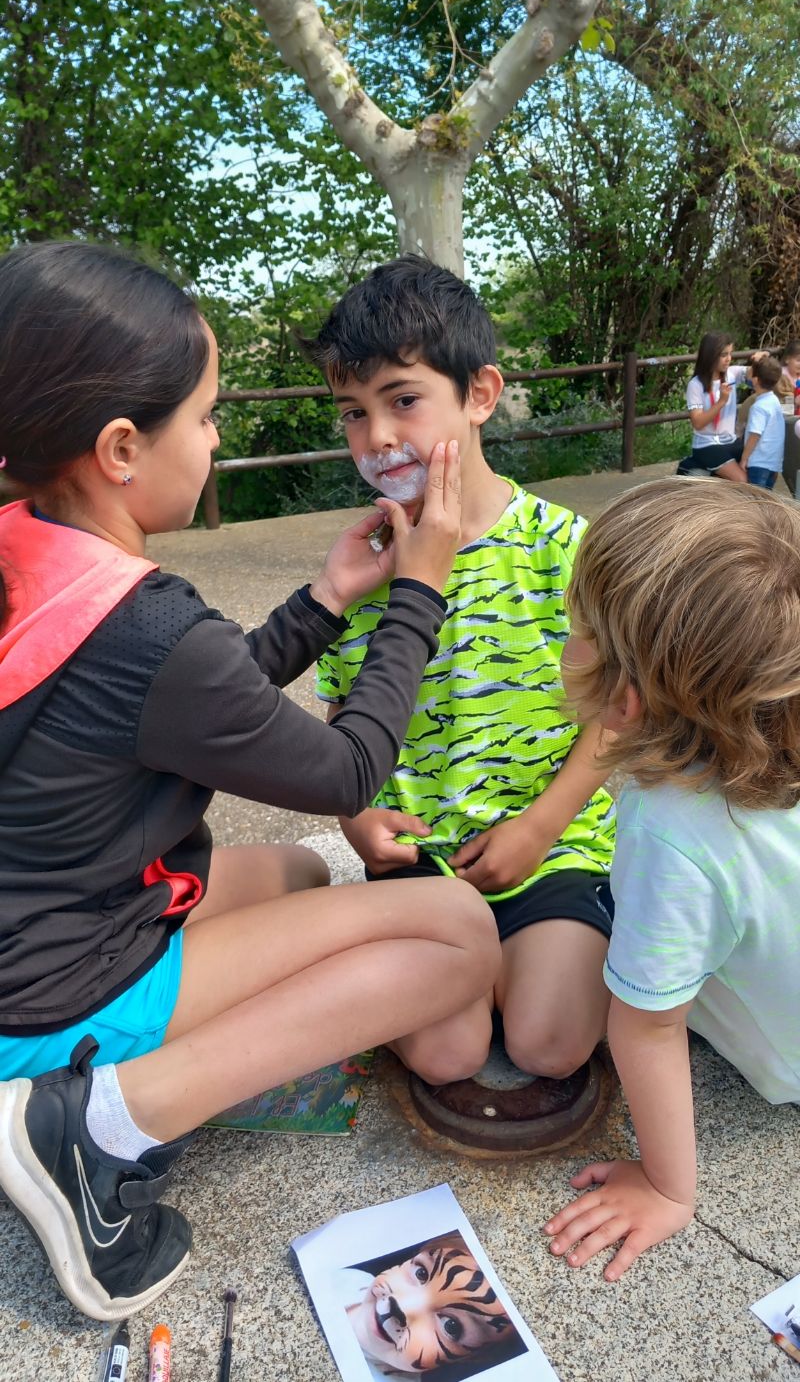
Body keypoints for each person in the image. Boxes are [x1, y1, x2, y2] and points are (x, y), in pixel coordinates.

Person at [0, 242, 500, 1322]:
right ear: (122, 448)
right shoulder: (147, 630)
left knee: (294, 876)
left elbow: (193, 698)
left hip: (39, 921)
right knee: (460, 934)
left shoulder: (28, 548)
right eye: (207, 416)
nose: (218, 439)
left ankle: (110, 1085)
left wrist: (326, 598)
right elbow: (348, 769)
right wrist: (419, 587)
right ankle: (90, 1128)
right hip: (46, 993)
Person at [304, 256, 615, 1089]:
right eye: (353, 413)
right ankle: (454, 966)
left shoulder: (567, 547)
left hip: (552, 850)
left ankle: (515, 958)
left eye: (402, 400)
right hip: (417, 861)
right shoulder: (363, 565)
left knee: (552, 1045)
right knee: (447, 1059)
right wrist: (355, 818)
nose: (377, 436)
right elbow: (342, 712)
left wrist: (540, 829)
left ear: (480, 394)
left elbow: (616, 711)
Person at [543, 478, 800, 1281]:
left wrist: (665, 1185)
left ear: (624, 697)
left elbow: (650, 1027)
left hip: (788, 1065)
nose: (566, 638)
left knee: (612, 968)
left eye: (579, 628)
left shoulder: (671, 827)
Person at [340, 1231, 524, 1378]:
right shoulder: (350, 1278)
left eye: (451, 1326)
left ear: (469, 1359)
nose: (403, 1307)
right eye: (421, 1273)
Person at [685, 331, 765, 482]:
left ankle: (714, 475)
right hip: (707, 445)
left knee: (763, 467)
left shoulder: (731, 374)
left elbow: (752, 374)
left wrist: (760, 359)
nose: (729, 359)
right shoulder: (695, 385)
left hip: (731, 441)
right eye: (724, 355)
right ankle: (700, 470)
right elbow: (698, 423)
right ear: (710, 356)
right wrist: (721, 402)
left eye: (730, 353)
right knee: (742, 481)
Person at [740, 354, 786, 488]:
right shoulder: (775, 401)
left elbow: (755, 435)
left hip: (758, 463)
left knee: (754, 498)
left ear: (755, 380)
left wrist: (744, 458)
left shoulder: (758, 407)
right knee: (766, 498)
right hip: (773, 463)